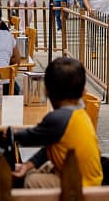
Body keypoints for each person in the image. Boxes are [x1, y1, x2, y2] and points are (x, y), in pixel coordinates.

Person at [12, 57, 103, 188]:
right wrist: (28, 165)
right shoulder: (80, 113)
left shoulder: (57, 118)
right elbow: (49, 147)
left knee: (31, 182)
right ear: (83, 92)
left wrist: (11, 132)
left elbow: (29, 137)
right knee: (36, 170)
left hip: (80, 186)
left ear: (46, 91)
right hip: (88, 179)